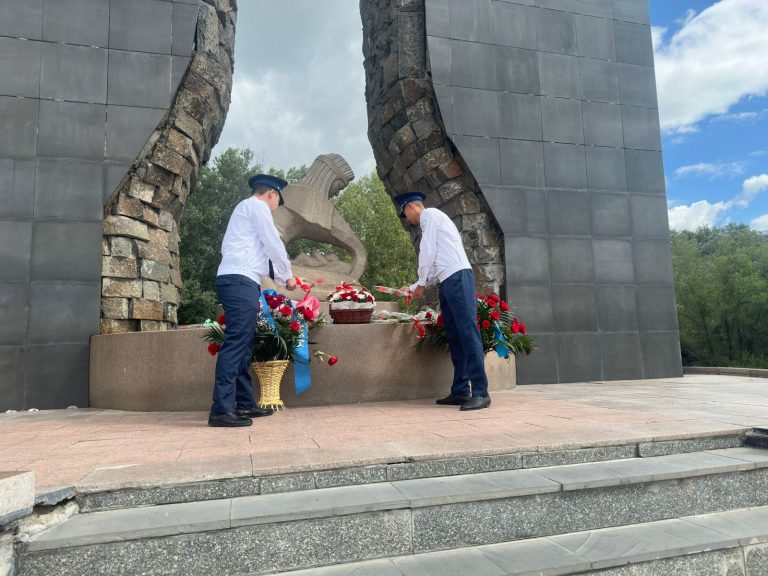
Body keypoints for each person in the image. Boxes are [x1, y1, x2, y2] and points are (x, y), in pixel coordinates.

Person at [209, 174, 297, 427]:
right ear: (271, 193)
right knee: (237, 342)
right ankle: (221, 409)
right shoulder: (256, 207)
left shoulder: (245, 210)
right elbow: (272, 243)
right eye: (277, 200)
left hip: (241, 279)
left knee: (244, 343)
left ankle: (243, 403)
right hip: (239, 280)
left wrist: (281, 275)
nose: (275, 207)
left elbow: (259, 251)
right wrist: (288, 276)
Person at [397, 192, 491, 411]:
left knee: (468, 333)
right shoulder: (433, 220)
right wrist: (412, 287)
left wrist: (420, 283)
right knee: (456, 337)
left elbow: (427, 250)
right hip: (448, 280)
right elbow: (437, 265)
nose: (408, 219)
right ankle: (460, 390)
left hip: (457, 278)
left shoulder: (429, 215)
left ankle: (480, 392)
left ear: (411, 207)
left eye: (405, 214)